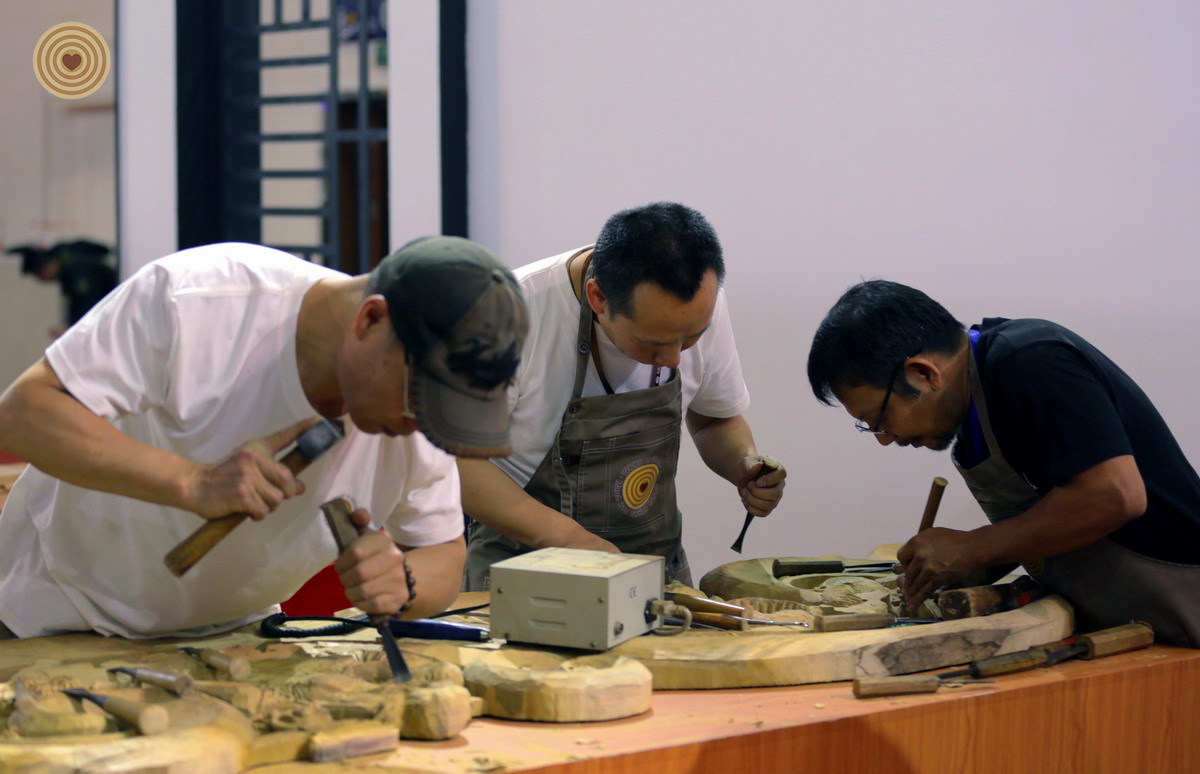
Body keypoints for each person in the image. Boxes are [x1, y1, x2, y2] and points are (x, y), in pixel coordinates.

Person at [0, 236, 528, 639]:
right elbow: (26, 412)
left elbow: (442, 550)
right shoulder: (203, 299)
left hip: (232, 637)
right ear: (370, 320)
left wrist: (403, 583)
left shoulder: (417, 419)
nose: (421, 427)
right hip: (57, 615)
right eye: (419, 402)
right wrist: (191, 482)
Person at [806, 280, 1200, 647]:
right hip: (1126, 631)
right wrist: (974, 565)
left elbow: (1114, 495)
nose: (884, 437)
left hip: (1184, 613)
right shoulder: (974, 424)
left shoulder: (1030, 360)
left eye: (881, 417)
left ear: (924, 373)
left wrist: (975, 547)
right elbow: (1051, 526)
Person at [459, 202, 786, 590]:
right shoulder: (508, 315)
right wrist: (567, 539)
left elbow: (715, 417)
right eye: (655, 342)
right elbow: (459, 464)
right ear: (598, 298)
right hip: (525, 566)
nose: (673, 358)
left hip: (654, 564)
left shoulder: (696, 307)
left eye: (692, 337)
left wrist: (742, 464)